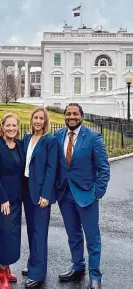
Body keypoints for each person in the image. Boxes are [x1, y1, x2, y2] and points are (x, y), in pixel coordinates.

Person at [54, 103, 110, 289]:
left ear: (81, 116)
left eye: (75, 114)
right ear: (64, 116)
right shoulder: (58, 136)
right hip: (65, 195)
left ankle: (95, 276)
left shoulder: (93, 137)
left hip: (87, 195)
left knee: (92, 237)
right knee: (73, 235)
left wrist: (98, 194)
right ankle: (78, 266)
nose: (71, 117)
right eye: (68, 114)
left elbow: (103, 168)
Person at [0, 113, 25, 289]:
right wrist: (3, 199)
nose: (11, 128)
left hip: (17, 198)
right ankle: (1, 271)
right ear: (2, 126)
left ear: (18, 128)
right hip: (2, 200)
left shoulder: (19, 144)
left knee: (13, 235)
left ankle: (7, 267)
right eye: (8, 125)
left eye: (14, 126)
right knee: (4, 234)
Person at [22, 107, 58, 288]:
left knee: (40, 232)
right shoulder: (27, 137)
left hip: (41, 193)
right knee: (31, 230)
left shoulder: (49, 140)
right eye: (35, 118)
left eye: (41, 119)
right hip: (27, 190)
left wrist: (46, 195)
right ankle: (33, 263)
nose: (38, 121)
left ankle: (38, 274)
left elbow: (52, 169)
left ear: (45, 121)